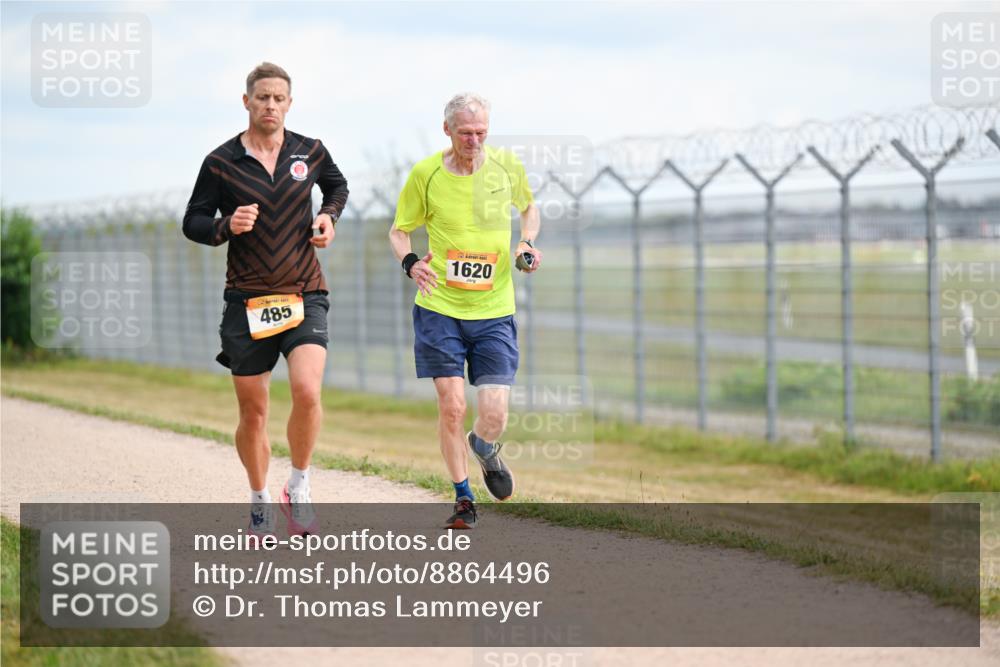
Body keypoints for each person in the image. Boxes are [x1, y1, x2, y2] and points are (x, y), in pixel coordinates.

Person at [182, 62, 348, 542]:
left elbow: (337, 187)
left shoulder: (310, 151)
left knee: (308, 390)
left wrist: (328, 217)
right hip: (248, 300)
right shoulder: (220, 162)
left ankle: (298, 485)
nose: (270, 105)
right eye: (262, 98)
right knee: (253, 412)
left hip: (304, 292)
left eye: (278, 98)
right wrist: (225, 225)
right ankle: (259, 500)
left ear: (289, 104)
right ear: (247, 102)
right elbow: (193, 220)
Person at [389, 92, 542, 529]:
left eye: (481, 133)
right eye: (465, 133)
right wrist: (410, 262)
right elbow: (399, 231)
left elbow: (529, 209)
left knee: (493, 414)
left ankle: (485, 447)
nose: (474, 141)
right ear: (447, 130)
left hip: (494, 308)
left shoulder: (506, 167)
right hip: (439, 306)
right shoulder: (426, 174)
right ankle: (463, 498)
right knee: (452, 405)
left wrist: (526, 243)